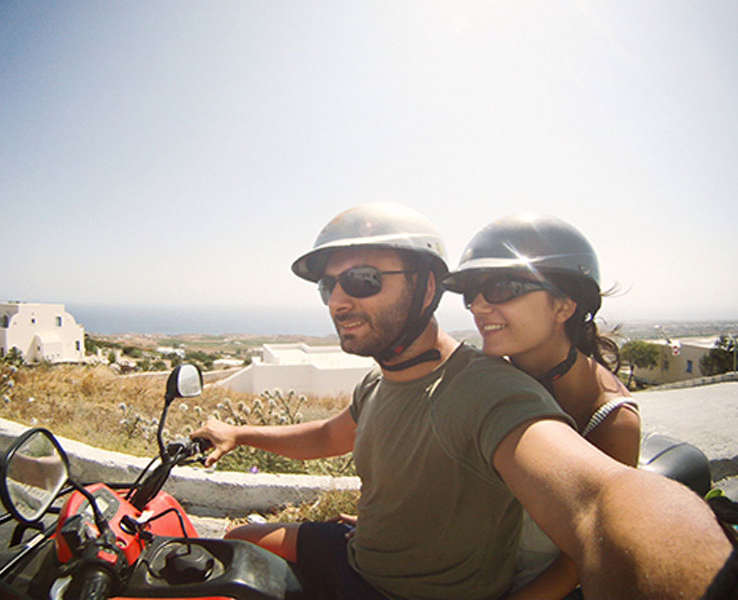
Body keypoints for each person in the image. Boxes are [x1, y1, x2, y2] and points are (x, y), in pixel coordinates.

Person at [191, 203, 732, 600]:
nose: (336, 301)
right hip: (362, 554)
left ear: (427, 289)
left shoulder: (492, 388)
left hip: (412, 590)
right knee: (234, 542)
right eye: (326, 286)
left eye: (361, 280)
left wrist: (703, 573)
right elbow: (333, 436)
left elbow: (601, 502)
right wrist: (239, 433)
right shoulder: (384, 381)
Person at [441, 213, 640, 599]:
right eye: (471, 292)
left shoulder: (611, 421)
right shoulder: (495, 375)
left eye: (502, 287)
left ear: (564, 306)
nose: (477, 307)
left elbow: (578, 560)